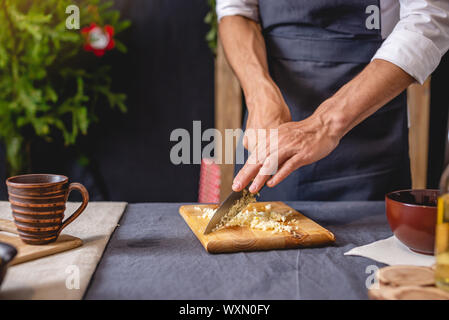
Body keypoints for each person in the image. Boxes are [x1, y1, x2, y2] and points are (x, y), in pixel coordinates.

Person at [217, 0, 449, 201]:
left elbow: (428, 20)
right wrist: (259, 94)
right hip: (271, 133)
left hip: (369, 142)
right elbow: (236, 10)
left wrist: (327, 123)